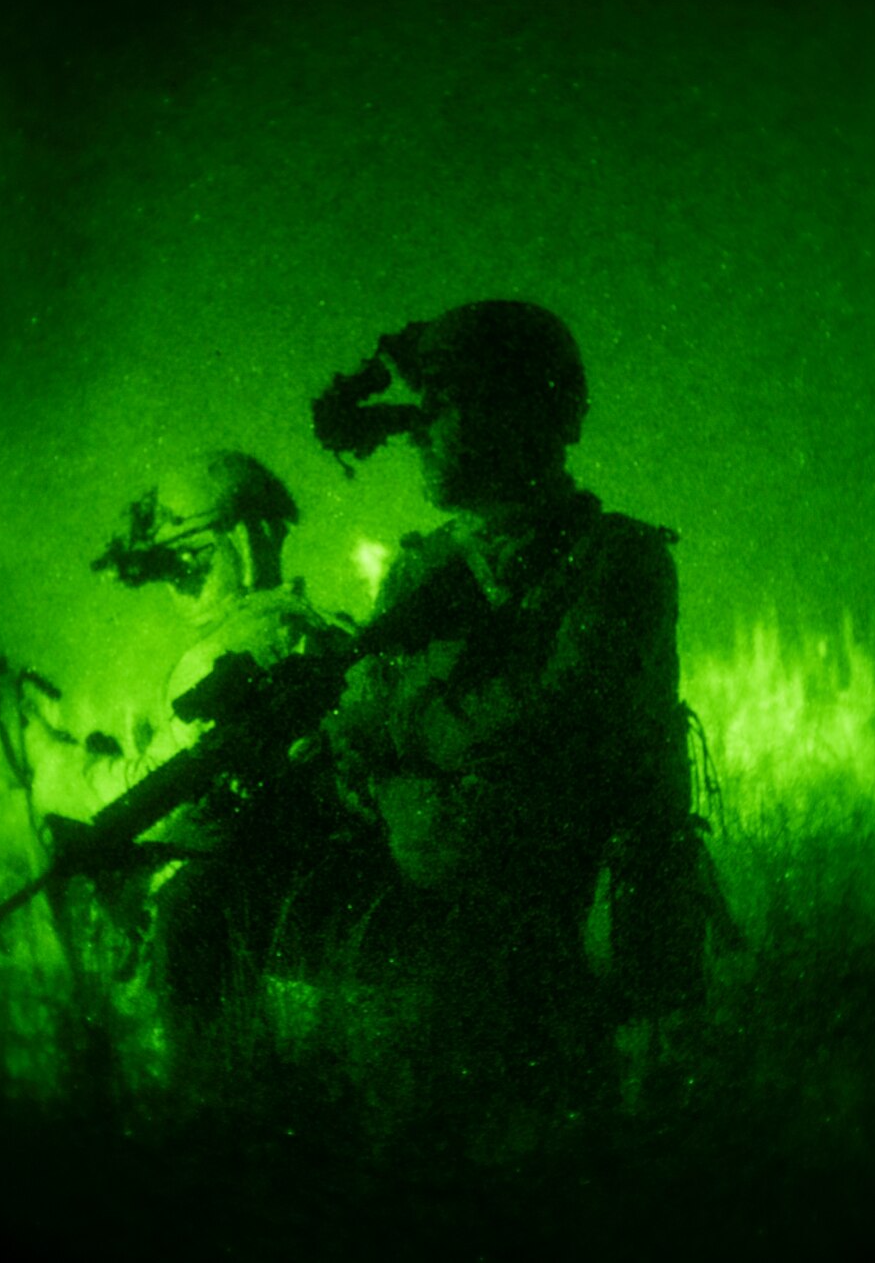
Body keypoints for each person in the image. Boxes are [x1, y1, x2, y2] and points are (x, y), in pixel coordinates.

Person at [321, 300, 712, 1154]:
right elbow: (362, 723)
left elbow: (560, 717)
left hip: (549, 912)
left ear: (526, 412)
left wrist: (405, 729)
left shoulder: (617, 559)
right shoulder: (421, 569)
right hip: (424, 896)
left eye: (445, 405)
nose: (418, 431)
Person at [93, 450, 385, 1092]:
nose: (182, 580)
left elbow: (162, 798)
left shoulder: (221, 654)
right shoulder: (315, 625)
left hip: (267, 894)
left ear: (245, 543)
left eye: (192, 558)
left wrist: (66, 763)